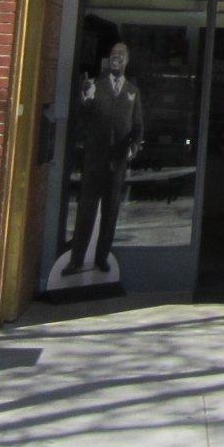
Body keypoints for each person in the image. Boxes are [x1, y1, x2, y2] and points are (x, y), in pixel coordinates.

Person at [65, 41, 145, 275]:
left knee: (111, 211)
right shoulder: (95, 86)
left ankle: (102, 257)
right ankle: (77, 259)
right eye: (113, 54)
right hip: (95, 159)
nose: (116, 58)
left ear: (127, 60)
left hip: (117, 161)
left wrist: (134, 147)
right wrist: (86, 99)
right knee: (86, 210)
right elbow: (82, 119)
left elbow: (138, 125)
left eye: (121, 54)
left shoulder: (132, 91)